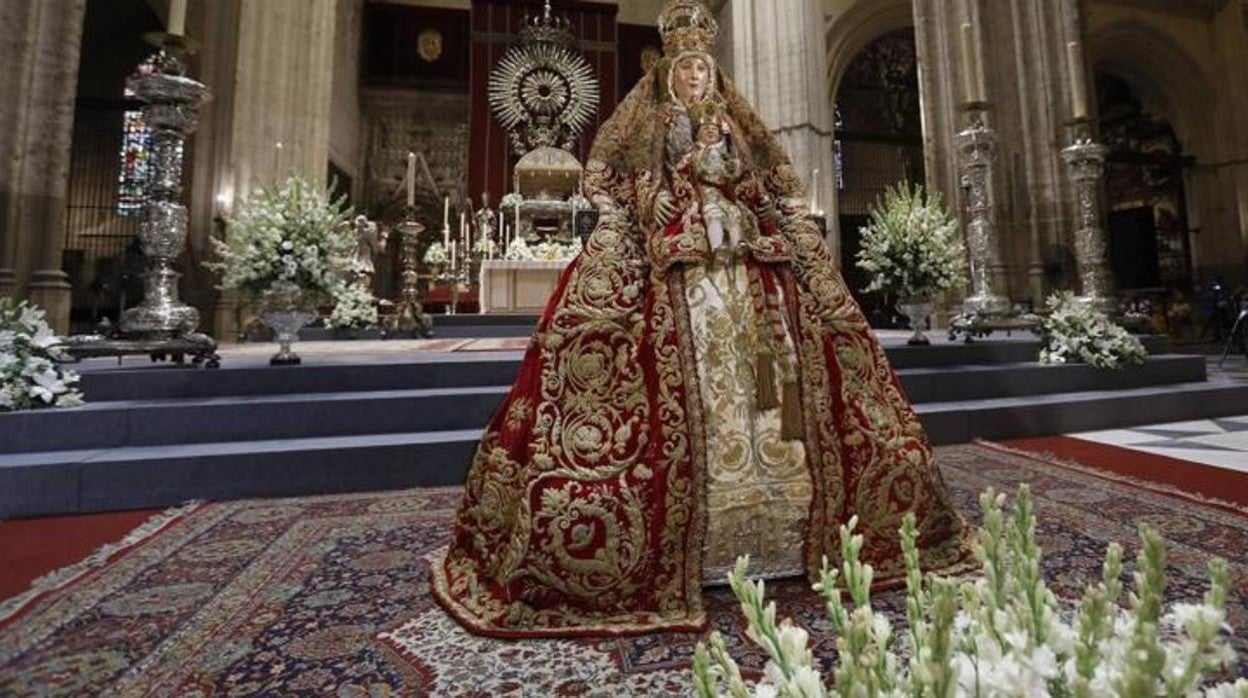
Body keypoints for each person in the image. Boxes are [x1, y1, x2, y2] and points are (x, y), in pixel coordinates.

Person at [430, 0, 971, 638]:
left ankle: (791, 525)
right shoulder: (643, 122)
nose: (695, 80)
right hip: (673, 264)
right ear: (669, 73)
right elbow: (603, 175)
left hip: (746, 264)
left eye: (702, 71)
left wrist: (761, 210)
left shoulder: (735, 125)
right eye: (685, 70)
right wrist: (647, 202)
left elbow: (775, 180)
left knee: (803, 364)